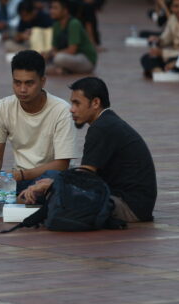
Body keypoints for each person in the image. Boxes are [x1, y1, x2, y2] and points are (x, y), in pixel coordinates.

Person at [20, 77, 157, 223]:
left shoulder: (102, 128)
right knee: (53, 179)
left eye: (77, 103)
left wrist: (53, 185)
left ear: (96, 103)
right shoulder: (106, 122)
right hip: (133, 204)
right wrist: (54, 183)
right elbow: (86, 177)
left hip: (129, 207)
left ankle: (19, 200)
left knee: (56, 189)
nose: (72, 109)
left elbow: (85, 176)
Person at [0, 50, 78, 198]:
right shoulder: (2, 107)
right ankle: (16, 195)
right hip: (14, 180)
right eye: (17, 82)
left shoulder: (61, 110)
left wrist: (22, 175)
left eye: (29, 83)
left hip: (44, 179)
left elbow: (61, 165)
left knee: (54, 178)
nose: (22, 89)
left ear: (43, 81)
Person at [140, 0, 179, 77]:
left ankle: (158, 72)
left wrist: (162, 53)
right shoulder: (172, 19)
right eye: (176, 6)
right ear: (171, 8)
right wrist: (158, 40)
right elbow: (166, 38)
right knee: (146, 57)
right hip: (173, 54)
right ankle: (159, 73)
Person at [46, 0, 97, 74]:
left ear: (65, 10)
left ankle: (62, 69)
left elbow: (72, 50)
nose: (51, 11)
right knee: (41, 61)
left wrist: (53, 54)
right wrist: (47, 55)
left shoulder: (74, 23)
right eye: (51, 8)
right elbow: (54, 48)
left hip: (85, 59)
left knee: (58, 58)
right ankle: (64, 70)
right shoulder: (56, 25)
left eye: (55, 8)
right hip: (70, 58)